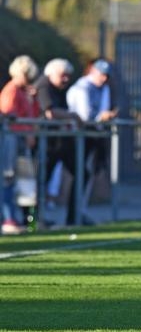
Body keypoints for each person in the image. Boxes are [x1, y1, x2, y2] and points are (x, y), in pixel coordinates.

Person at [34, 58, 86, 226]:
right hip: (47, 142)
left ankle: (74, 217)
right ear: (52, 73)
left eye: (68, 76)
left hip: (60, 141)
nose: (66, 79)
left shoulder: (60, 89)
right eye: (63, 76)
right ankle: (33, 221)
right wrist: (73, 116)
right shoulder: (44, 85)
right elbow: (50, 112)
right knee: (40, 179)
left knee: (81, 172)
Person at [66, 58, 118, 225]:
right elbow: (85, 116)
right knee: (81, 174)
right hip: (78, 137)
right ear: (94, 72)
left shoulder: (103, 88)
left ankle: (78, 214)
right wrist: (101, 117)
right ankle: (73, 216)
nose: (104, 79)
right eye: (102, 75)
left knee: (86, 174)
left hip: (91, 136)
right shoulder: (82, 89)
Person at [0, 55, 39, 235]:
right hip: (13, 140)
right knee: (9, 178)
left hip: (22, 141)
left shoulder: (24, 92)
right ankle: (8, 218)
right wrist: (26, 132)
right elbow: (10, 117)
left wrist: (34, 100)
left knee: (26, 183)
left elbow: (32, 115)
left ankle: (28, 221)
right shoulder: (12, 91)